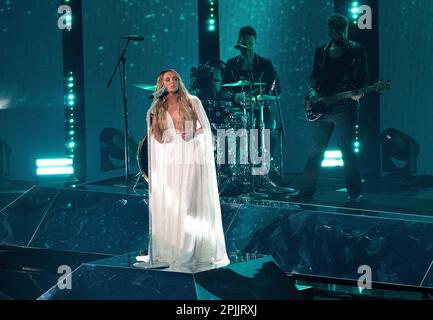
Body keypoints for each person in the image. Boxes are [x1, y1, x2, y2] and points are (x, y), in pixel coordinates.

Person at [137, 69, 230, 272]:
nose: (172, 82)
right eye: (167, 80)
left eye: (174, 79)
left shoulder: (192, 100)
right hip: (169, 158)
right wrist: (154, 125)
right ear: (161, 84)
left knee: (188, 203)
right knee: (172, 204)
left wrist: (191, 134)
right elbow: (158, 137)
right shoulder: (157, 106)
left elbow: (205, 128)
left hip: (189, 154)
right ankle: (169, 248)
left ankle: (188, 250)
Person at [287, 14, 369, 203]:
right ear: (330, 31)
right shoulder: (321, 51)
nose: (341, 35)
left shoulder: (356, 50)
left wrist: (359, 91)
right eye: (337, 31)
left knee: (347, 149)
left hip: (345, 106)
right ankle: (306, 191)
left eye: (344, 31)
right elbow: (314, 75)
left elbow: (363, 77)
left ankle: (355, 194)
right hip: (322, 106)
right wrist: (312, 92)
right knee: (316, 149)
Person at [222, 26, 281, 184]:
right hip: (238, 112)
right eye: (244, 42)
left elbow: (276, 88)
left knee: (264, 138)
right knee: (230, 136)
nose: (247, 45)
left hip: (260, 111)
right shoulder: (231, 64)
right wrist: (235, 95)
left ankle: (263, 177)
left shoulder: (265, 64)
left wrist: (260, 99)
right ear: (238, 42)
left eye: (250, 42)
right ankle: (239, 178)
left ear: (255, 43)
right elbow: (223, 89)